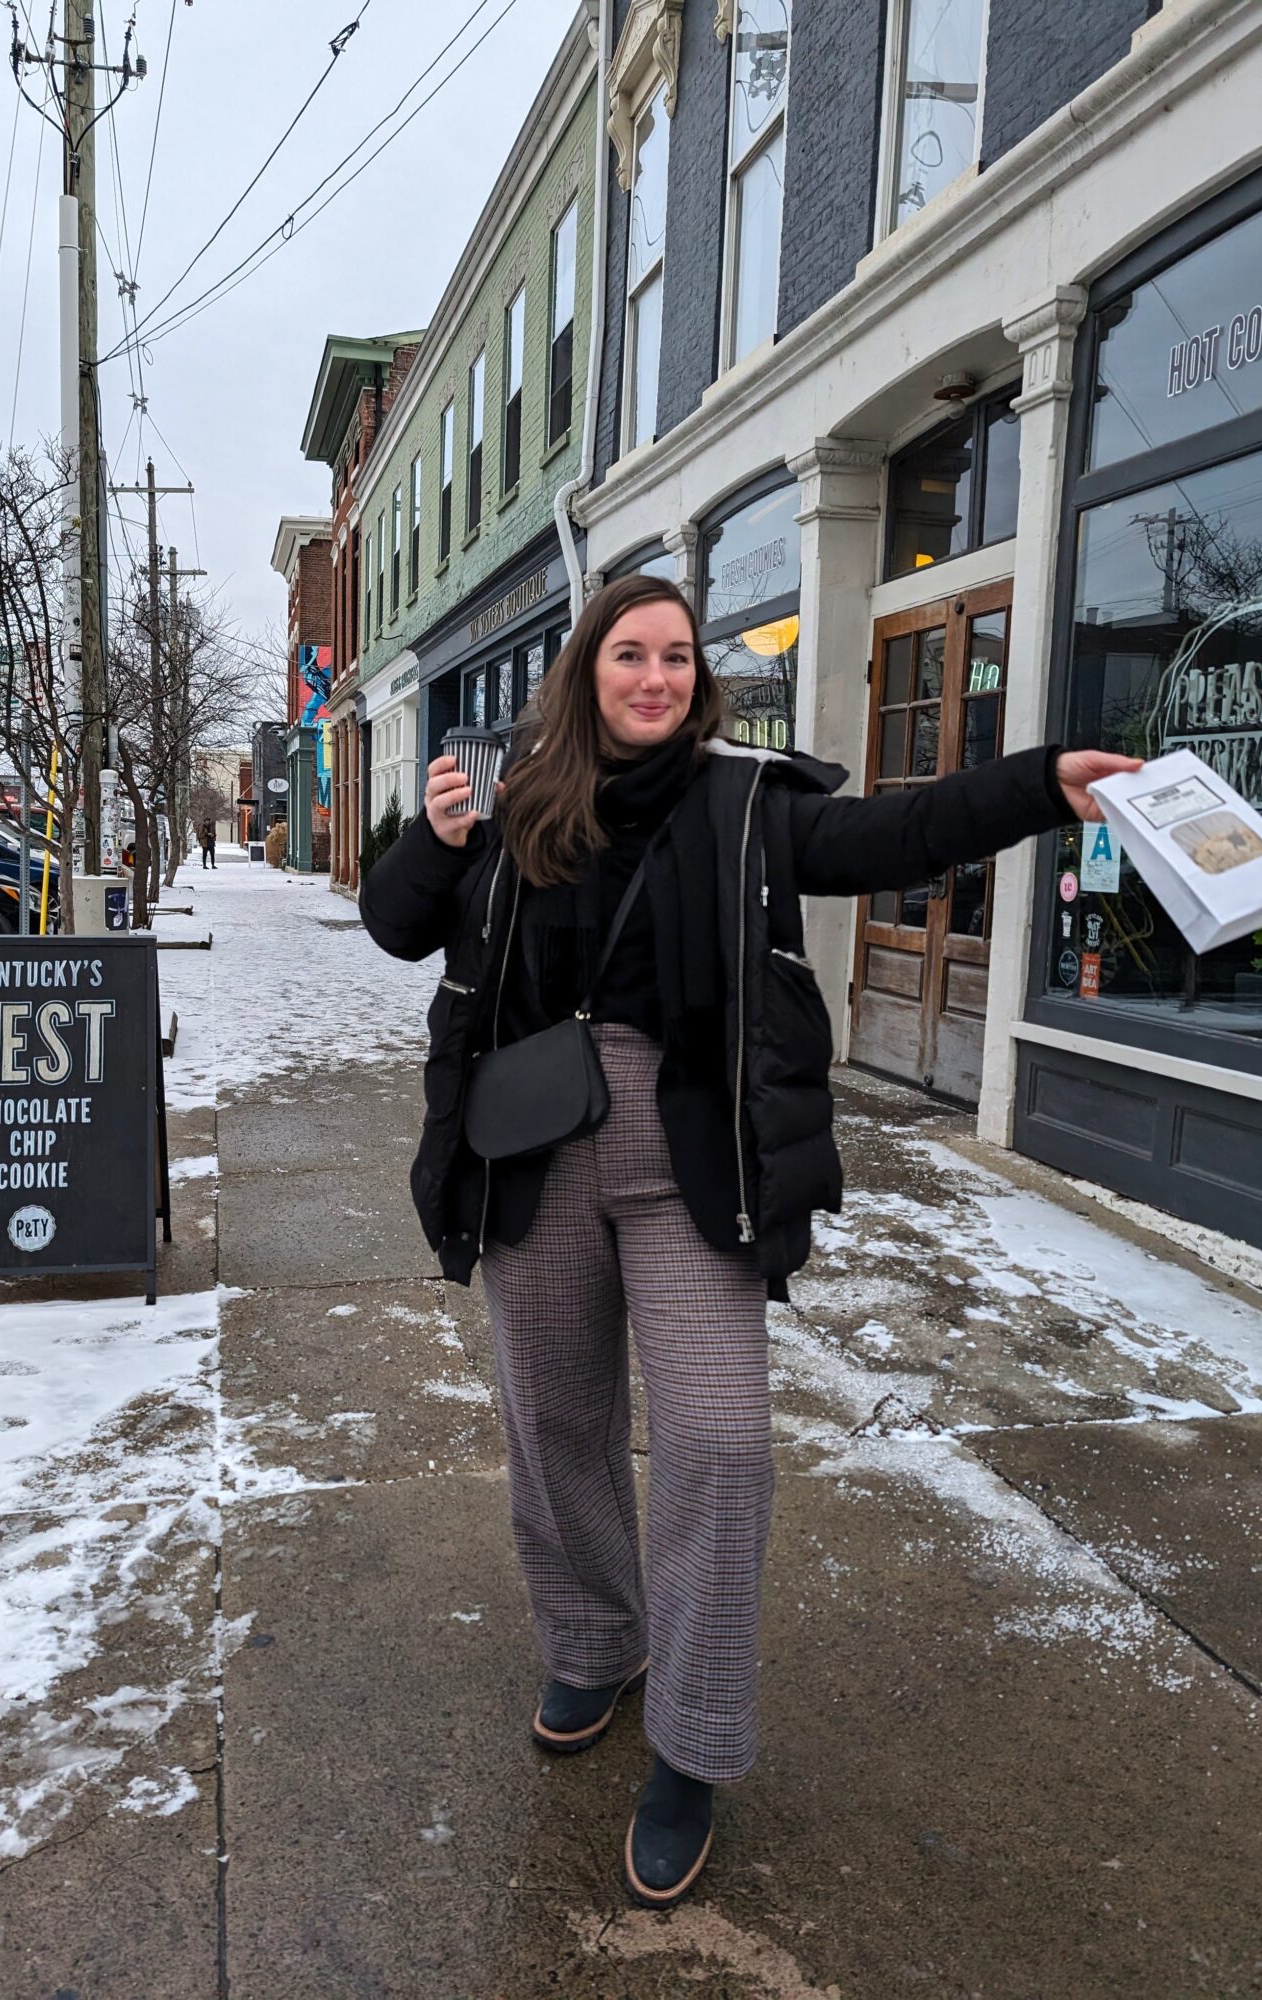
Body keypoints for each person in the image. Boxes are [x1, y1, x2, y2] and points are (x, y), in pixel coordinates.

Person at [359, 574, 1138, 1910]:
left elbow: (894, 833)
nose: (653, 677)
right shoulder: (514, 799)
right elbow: (398, 926)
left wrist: (1037, 788)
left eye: (673, 658)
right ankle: (595, 1642)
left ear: (695, 681)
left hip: (690, 1173)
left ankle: (693, 1746)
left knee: (719, 1442)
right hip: (532, 1158)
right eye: (628, 655)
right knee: (553, 1424)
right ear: (585, 670)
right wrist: (432, 843)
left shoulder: (745, 806)